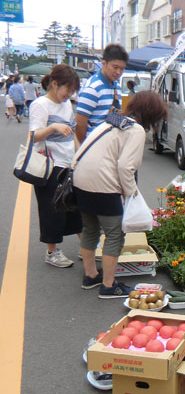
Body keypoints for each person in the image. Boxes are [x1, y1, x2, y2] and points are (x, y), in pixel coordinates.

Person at [73, 91, 168, 299]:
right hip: (102, 182)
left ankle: (90, 275)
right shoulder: (135, 130)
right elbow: (126, 167)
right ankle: (108, 285)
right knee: (115, 233)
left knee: (90, 228)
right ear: (151, 113)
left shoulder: (112, 120)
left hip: (79, 178)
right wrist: (132, 194)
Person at [28, 65, 83, 268]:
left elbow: (74, 134)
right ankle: (52, 252)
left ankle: (87, 246)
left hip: (68, 163)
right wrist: (52, 127)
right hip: (50, 167)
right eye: (66, 90)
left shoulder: (67, 103)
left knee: (75, 206)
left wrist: (79, 156)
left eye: (72, 91)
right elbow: (33, 135)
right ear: (54, 84)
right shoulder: (40, 105)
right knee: (52, 210)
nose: (68, 94)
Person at [75, 43, 128, 143]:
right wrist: (83, 149)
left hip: (110, 145)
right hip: (93, 146)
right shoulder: (92, 88)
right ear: (104, 63)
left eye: (122, 69)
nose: (118, 72)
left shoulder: (117, 86)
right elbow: (80, 123)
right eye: (115, 67)